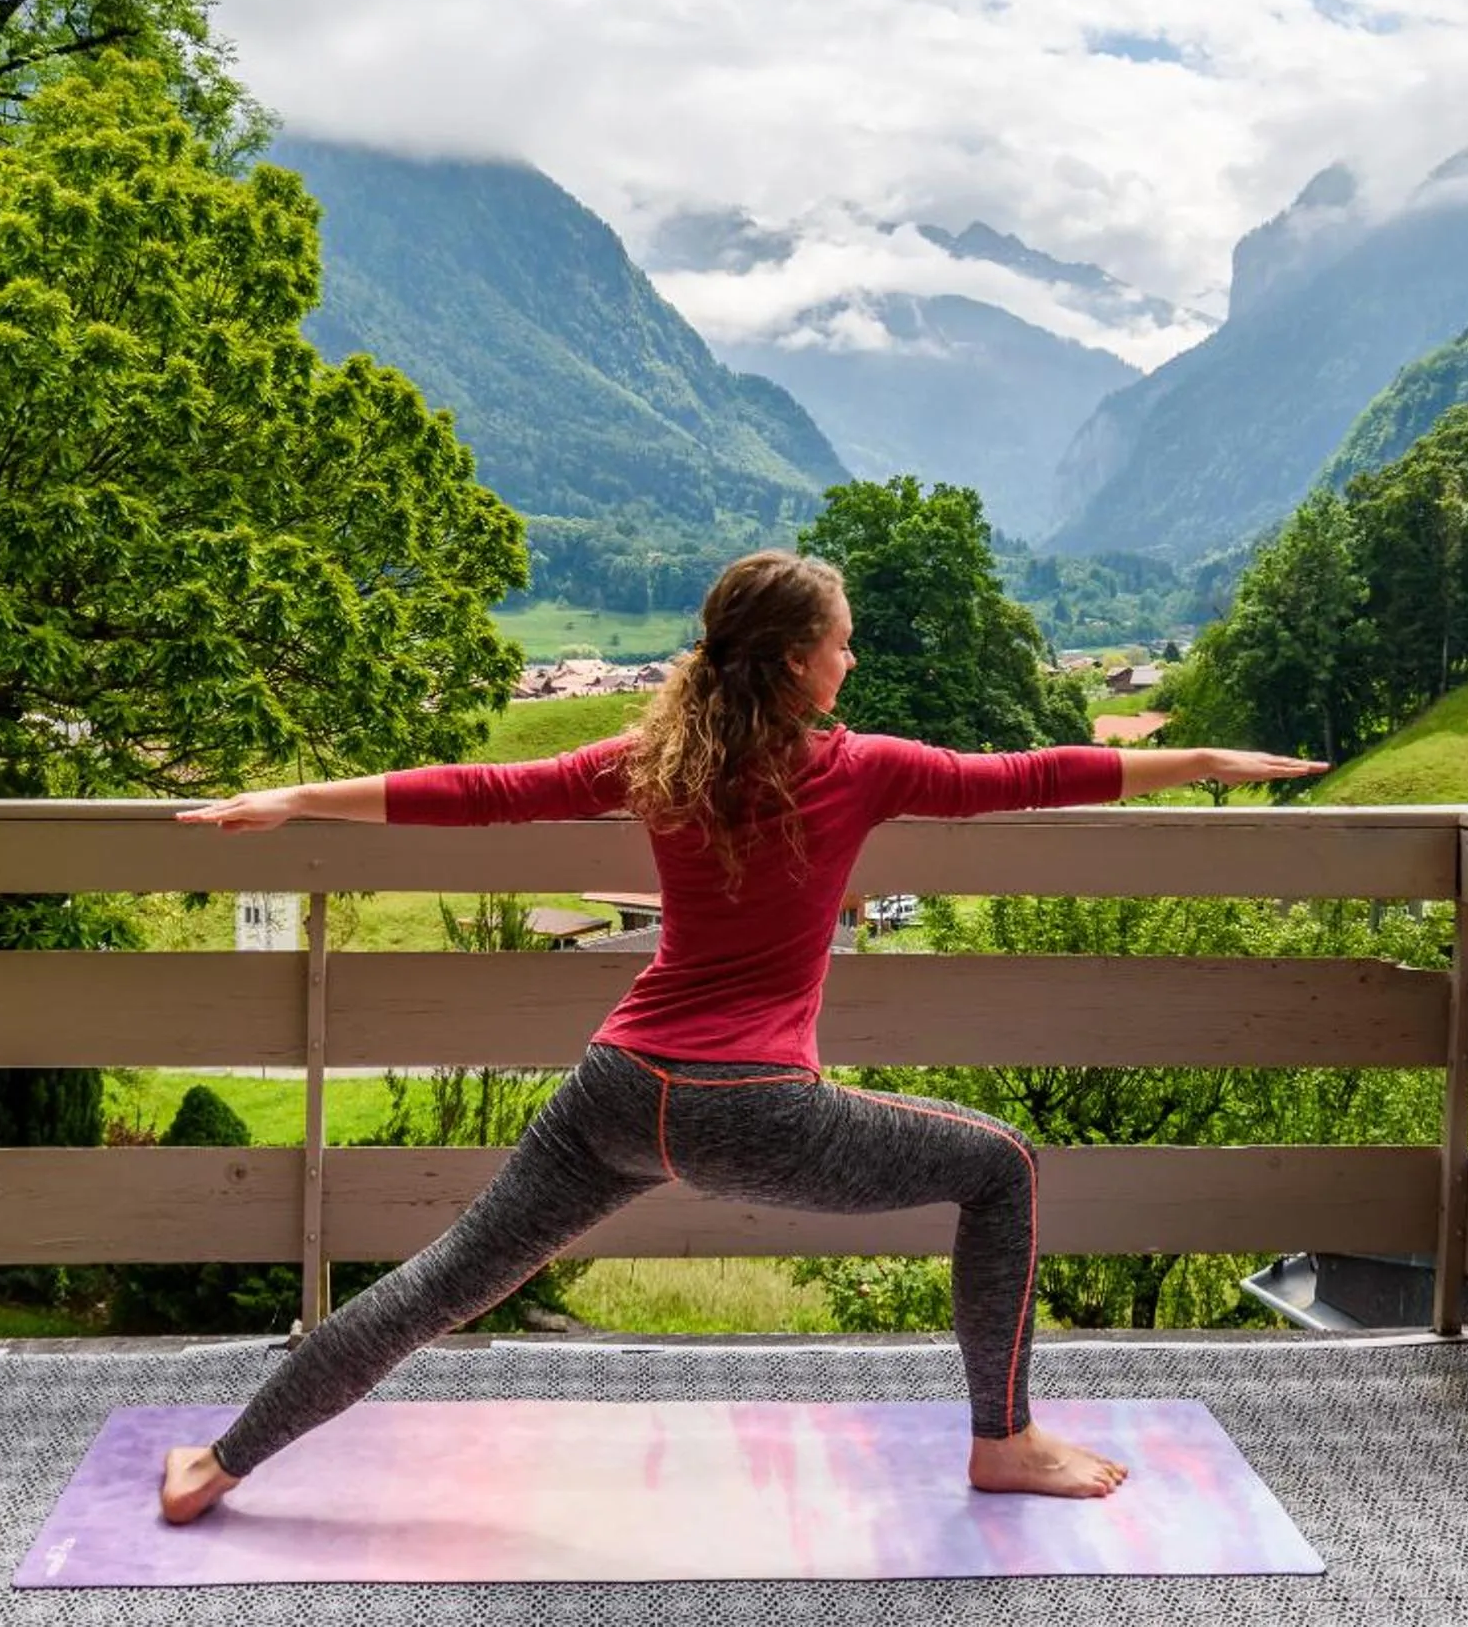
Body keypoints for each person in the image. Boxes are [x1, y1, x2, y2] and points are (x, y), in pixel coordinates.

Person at [160, 550, 1324, 1523]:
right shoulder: (859, 767)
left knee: (440, 1285)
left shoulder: (655, 760)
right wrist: (1205, 762)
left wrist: (300, 798)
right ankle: (1005, 1437)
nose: (852, 660)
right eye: (842, 643)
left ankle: (218, 1467)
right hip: (750, 1106)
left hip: (617, 1090)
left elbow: (484, 790)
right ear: (793, 662)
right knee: (1003, 1168)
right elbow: (1026, 776)